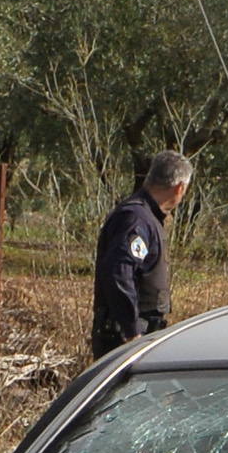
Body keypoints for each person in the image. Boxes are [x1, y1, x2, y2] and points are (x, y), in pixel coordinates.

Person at [91, 151, 193, 355]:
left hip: (137, 332)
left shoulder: (144, 217)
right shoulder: (137, 220)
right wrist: (132, 332)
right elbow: (118, 272)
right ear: (179, 188)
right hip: (125, 337)